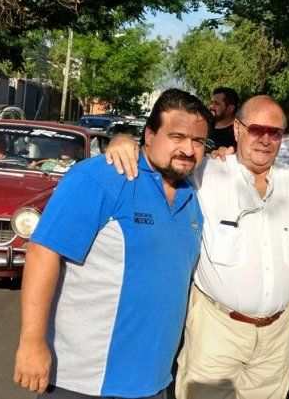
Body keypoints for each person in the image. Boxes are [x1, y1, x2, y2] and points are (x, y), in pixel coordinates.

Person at [12, 88, 212, 399]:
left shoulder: (191, 192)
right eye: (177, 136)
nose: (189, 149)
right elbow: (43, 252)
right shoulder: (102, 176)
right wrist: (32, 342)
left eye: (198, 141)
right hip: (83, 380)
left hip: (154, 381)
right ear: (148, 135)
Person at [103, 96, 289, 399]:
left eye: (274, 132)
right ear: (237, 129)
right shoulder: (206, 172)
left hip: (276, 338)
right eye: (256, 129)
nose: (265, 139)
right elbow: (161, 161)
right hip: (216, 330)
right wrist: (123, 141)